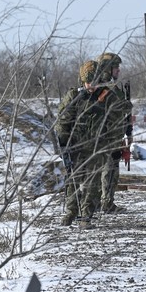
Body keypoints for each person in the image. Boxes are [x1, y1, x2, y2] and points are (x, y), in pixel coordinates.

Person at [55, 60, 111, 229]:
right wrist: (64, 143)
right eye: (88, 82)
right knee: (72, 179)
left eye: (95, 82)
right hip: (75, 146)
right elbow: (63, 121)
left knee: (92, 182)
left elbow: (114, 119)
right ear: (83, 81)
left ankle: (85, 216)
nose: (91, 86)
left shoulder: (105, 96)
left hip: (96, 147)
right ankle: (71, 211)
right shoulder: (74, 96)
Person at [96, 52, 133, 214]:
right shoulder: (105, 88)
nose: (118, 70)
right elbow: (121, 108)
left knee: (107, 170)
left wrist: (127, 131)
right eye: (115, 67)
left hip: (112, 134)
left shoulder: (106, 87)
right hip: (107, 136)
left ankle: (100, 202)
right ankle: (106, 203)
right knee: (109, 170)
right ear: (107, 69)